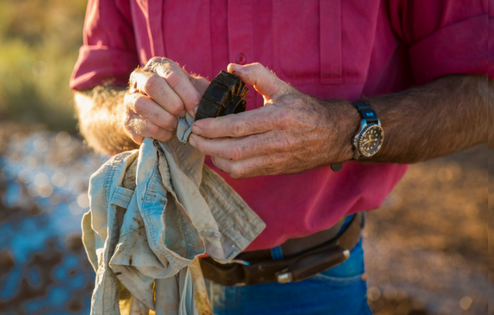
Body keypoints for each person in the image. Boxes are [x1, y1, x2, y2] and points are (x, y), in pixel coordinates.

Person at [70, 0, 491, 314]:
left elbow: (481, 99)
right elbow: (92, 97)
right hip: (163, 279)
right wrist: (129, 111)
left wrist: (340, 131)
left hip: (313, 285)